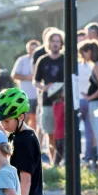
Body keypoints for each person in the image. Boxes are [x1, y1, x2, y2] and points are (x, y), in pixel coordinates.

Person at [34, 29, 66, 165]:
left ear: (61, 44)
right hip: (47, 102)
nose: (55, 44)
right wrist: (43, 88)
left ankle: (63, 161)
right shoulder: (42, 60)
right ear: (48, 43)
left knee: (63, 133)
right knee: (50, 133)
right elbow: (35, 81)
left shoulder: (66, 60)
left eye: (58, 41)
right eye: (53, 41)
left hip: (62, 102)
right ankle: (54, 162)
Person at [80, 41, 98, 164]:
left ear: (89, 52)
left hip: (96, 103)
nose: (83, 57)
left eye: (83, 53)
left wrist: (89, 98)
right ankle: (97, 158)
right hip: (95, 101)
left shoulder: (97, 66)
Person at [12, 40, 41, 130]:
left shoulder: (41, 59)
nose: (32, 51)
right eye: (30, 49)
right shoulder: (22, 60)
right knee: (25, 118)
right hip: (26, 95)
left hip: (38, 95)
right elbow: (14, 75)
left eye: (35, 49)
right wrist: (27, 77)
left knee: (36, 120)